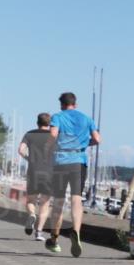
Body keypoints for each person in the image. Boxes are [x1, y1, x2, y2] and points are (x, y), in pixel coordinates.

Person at [46, 92, 100, 256]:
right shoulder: (87, 119)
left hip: (61, 160)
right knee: (76, 198)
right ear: (75, 104)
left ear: (61, 104)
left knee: (59, 201)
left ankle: (54, 239)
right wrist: (85, 144)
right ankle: (76, 230)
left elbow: (53, 135)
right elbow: (97, 139)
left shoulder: (57, 117)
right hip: (79, 161)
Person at [20, 113, 55, 240]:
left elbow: (20, 150)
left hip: (33, 171)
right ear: (49, 123)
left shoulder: (29, 134)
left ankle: (32, 214)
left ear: (37, 122)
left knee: (31, 200)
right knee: (45, 203)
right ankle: (39, 232)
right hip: (49, 172)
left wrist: (29, 158)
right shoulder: (53, 135)